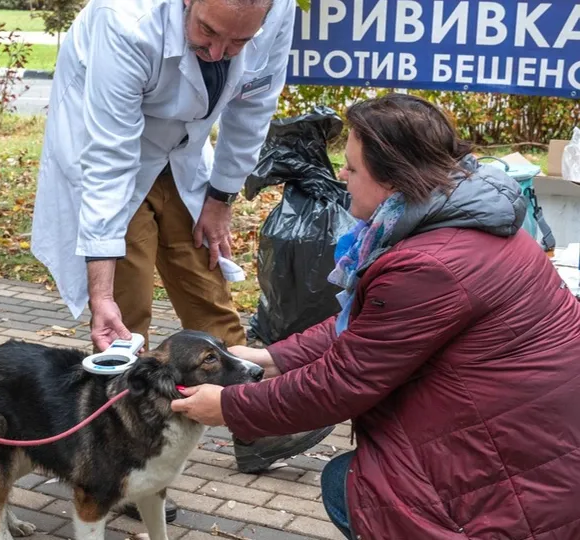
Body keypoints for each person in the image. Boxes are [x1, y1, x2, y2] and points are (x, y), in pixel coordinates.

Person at [171, 93, 580, 539]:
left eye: (352, 167)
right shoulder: (466, 222)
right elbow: (373, 327)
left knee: (349, 486)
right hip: (537, 446)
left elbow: (342, 384)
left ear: (394, 179)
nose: (341, 175)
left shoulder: (429, 265)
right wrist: (272, 357)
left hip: (517, 486)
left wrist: (228, 406)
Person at [30, 0, 334, 520]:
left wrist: (221, 197)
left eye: (238, 44)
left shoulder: (276, 11)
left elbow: (252, 107)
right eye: (208, 32)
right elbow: (109, 159)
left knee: (206, 283)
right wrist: (99, 294)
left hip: (183, 155)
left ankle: (254, 423)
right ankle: (123, 462)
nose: (219, 52)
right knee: (128, 315)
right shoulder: (124, 20)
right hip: (110, 152)